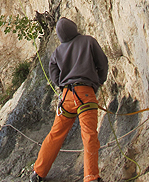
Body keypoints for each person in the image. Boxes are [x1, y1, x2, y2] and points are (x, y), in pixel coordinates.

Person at [30, 18, 108, 182]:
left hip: (67, 96)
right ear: (74, 27)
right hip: (85, 94)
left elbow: (53, 72)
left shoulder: (57, 51)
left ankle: (38, 172)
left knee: (55, 134)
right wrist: (99, 80)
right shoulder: (88, 41)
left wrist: (61, 85)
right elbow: (102, 63)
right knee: (89, 135)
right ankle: (91, 177)